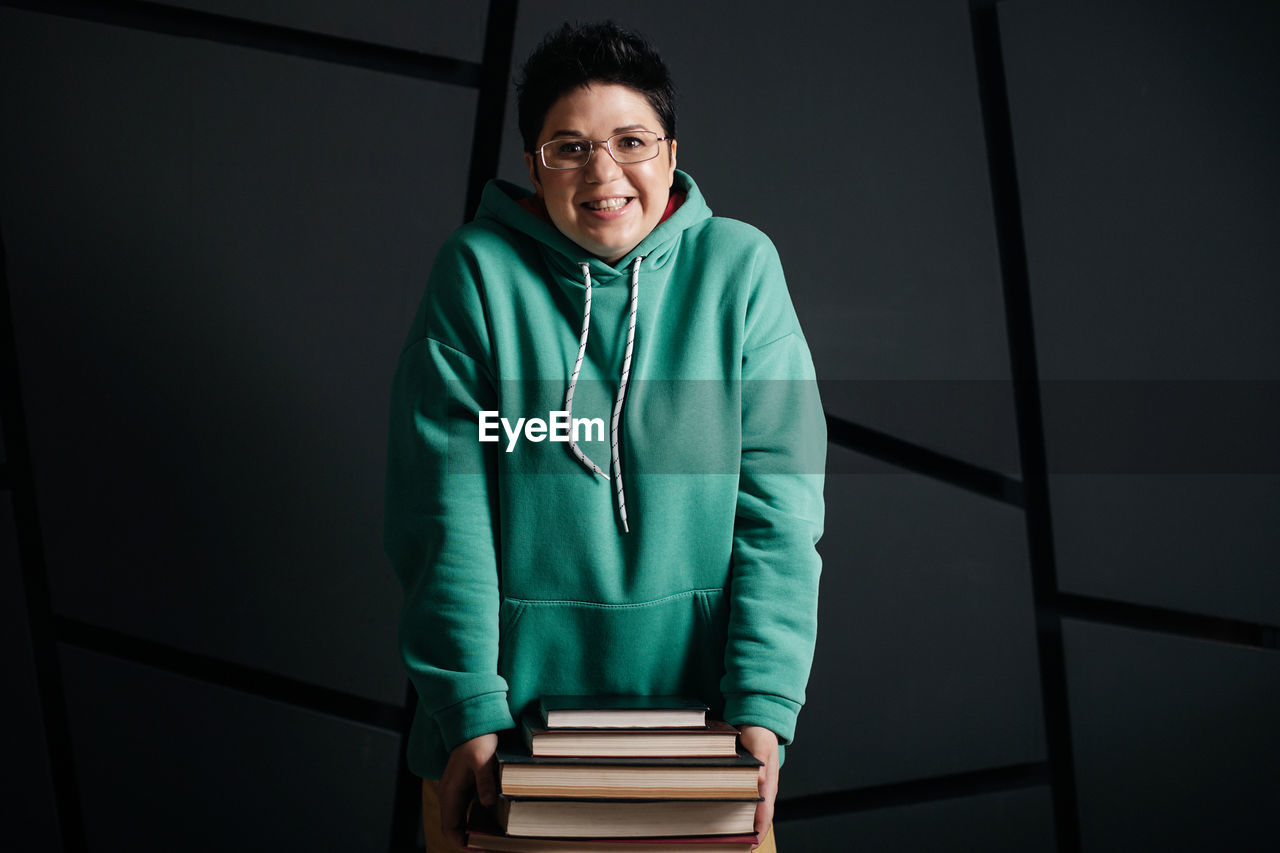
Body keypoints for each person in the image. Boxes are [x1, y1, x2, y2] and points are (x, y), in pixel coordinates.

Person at [384, 20, 825, 852]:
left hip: (705, 742)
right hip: (500, 741)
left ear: (670, 151)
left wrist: (764, 705)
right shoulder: (474, 274)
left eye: (631, 141)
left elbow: (781, 509)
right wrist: (468, 710)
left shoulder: (740, 270)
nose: (603, 173)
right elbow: (442, 515)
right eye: (569, 148)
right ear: (532, 165)